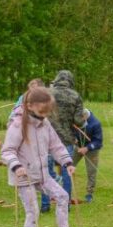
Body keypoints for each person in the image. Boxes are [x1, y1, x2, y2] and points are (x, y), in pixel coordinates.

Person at [1, 87, 89, 227]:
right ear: (29, 106)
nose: (44, 115)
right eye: (42, 111)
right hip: (24, 176)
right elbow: (7, 151)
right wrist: (16, 166)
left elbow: (56, 145)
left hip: (42, 174)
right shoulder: (18, 125)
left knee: (63, 196)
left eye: (48, 112)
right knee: (32, 212)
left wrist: (67, 162)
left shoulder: (45, 123)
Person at [41, 70, 84, 213]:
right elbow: (78, 121)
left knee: (46, 172)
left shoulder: (47, 93)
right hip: (66, 139)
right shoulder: (75, 96)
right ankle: (66, 204)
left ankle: (45, 204)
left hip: (46, 138)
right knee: (67, 173)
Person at [73, 108, 103, 203]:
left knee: (91, 171)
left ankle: (89, 193)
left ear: (85, 117)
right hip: (77, 147)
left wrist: (87, 148)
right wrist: (73, 139)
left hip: (92, 150)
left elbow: (98, 141)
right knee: (68, 165)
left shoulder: (96, 124)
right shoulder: (76, 117)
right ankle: (65, 190)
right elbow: (71, 130)